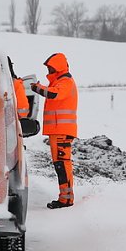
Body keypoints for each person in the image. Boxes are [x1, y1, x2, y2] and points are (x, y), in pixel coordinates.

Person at [30, 53, 78, 209]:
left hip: (61, 132)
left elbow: (53, 94)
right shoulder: (61, 82)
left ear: (57, 68)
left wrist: (37, 88)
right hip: (58, 131)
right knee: (61, 165)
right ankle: (65, 197)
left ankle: (66, 199)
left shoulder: (65, 82)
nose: (48, 72)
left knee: (62, 165)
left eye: (50, 69)